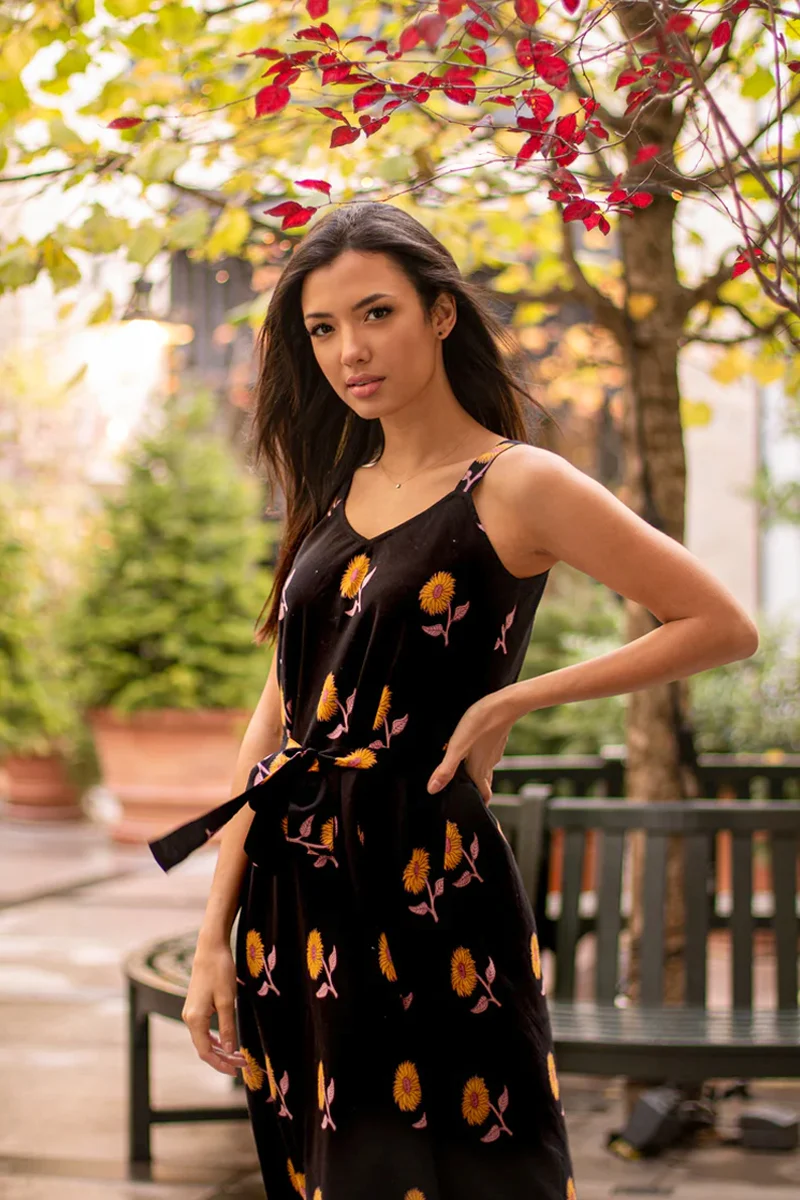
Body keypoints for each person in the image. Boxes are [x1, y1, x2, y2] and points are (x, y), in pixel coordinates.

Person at [149, 202, 758, 1200]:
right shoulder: (342, 485)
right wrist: (214, 936)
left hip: (427, 882)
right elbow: (278, 722)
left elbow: (717, 622)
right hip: (292, 898)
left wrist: (507, 704)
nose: (350, 349)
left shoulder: (516, 484)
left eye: (375, 313)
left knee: (472, 1171)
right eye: (322, 329)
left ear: (439, 314)